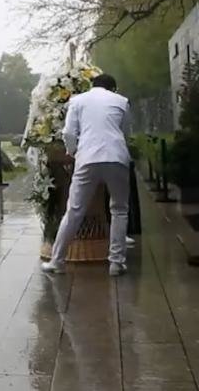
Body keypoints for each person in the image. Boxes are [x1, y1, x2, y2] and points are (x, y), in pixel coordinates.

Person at [42, 74, 132, 277]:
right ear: (113, 88)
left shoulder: (78, 100)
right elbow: (125, 133)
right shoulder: (122, 101)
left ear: (92, 85)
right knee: (119, 209)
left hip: (87, 157)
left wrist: (73, 152)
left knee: (74, 210)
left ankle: (57, 261)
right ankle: (116, 263)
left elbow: (69, 133)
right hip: (116, 157)